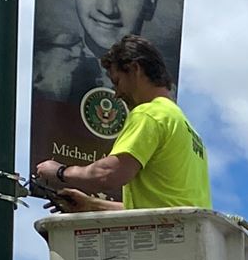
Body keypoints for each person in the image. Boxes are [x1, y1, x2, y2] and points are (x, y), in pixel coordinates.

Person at [35, 35, 212, 211]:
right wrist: (92, 205)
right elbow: (156, 209)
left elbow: (108, 174)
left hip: (166, 236)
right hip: (183, 234)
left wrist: (60, 172)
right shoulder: (185, 128)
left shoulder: (149, 114)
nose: (117, 94)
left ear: (135, 69)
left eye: (117, 82)